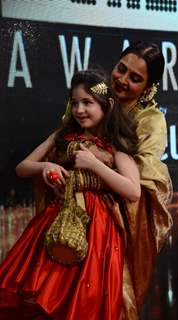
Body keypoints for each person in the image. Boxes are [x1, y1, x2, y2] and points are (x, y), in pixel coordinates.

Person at [0, 70, 141, 320]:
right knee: (44, 289)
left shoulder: (115, 144)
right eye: (74, 103)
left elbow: (133, 190)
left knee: (83, 301)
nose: (79, 110)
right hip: (59, 217)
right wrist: (46, 166)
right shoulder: (62, 137)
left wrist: (95, 164)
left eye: (87, 102)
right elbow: (22, 168)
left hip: (98, 229)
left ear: (106, 105)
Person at [63, 41, 173, 319]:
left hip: (117, 221)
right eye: (121, 69)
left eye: (135, 78)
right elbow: (64, 137)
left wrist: (104, 159)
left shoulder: (151, 120)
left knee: (108, 299)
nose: (122, 80)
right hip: (73, 210)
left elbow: (143, 173)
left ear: (148, 87)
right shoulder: (94, 95)